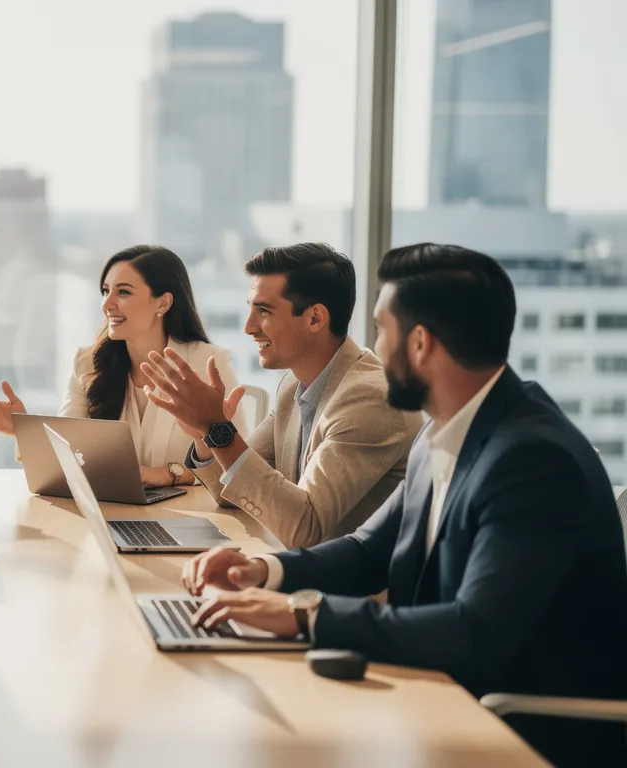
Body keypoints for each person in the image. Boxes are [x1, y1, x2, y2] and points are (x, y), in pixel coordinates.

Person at [172, 243, 627, 768]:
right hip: (442, 695)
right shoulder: (448, 426)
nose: (372, 349)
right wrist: (264, 571)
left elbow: (474, 631)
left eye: (381, 330)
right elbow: (370, 550)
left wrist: (304, 616)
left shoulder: (532, 458)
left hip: (518, 733)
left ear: (420, 345)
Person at [142, 242, 423, 547]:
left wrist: (217, 428)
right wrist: (204, 432)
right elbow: (233, 494)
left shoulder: (370, 399)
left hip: (352, 589)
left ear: (315, 318)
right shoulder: (293, 385)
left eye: (263, 311)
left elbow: (305, 528)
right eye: (250, 308)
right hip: (303, 571)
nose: (249, 327)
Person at [0, 244, 244, 488]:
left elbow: (239, 467)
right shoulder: (87, 363)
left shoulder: (208, 364)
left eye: (123, 292)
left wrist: (167, 474)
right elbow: (68, 451)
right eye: (105, 291)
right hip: (113, 513)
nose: (107, 304)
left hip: (193, 516)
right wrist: (21, 428)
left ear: (163, 302)